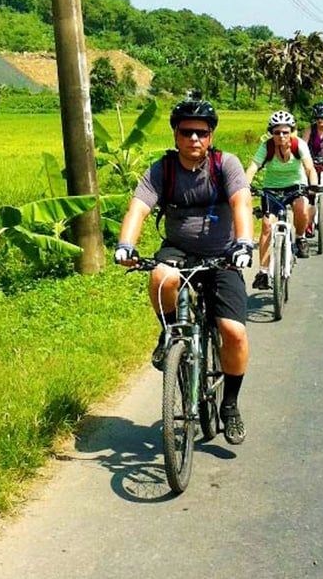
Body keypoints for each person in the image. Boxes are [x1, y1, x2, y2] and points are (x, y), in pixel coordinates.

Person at [114, 99, 255, 445]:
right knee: (161, 276)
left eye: (201, 133)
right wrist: (125, 245)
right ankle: (169, 334)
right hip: (178, 251)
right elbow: (138, 208)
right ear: (176, 135)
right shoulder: (162, 170)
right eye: (187, 132)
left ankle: (230, 405)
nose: (194, 138)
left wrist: (244, 243)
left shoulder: (225, 165)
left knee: (234, 332)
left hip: (222, 255)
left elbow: (241, 202)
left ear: (211, 137)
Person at [245, 110, 318, 290]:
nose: (281, 136)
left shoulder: (299, 145)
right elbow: (253, 167)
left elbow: (310, 168)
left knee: (301, 208)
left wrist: (313, 185)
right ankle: (263, 271)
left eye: (285, 132)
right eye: (277, 132)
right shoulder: (267, 147)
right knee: (266, 225)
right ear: (271, 133)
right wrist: (244, 186)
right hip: (272, 189)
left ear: (292, 131)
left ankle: (300, 238)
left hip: (296, 186)